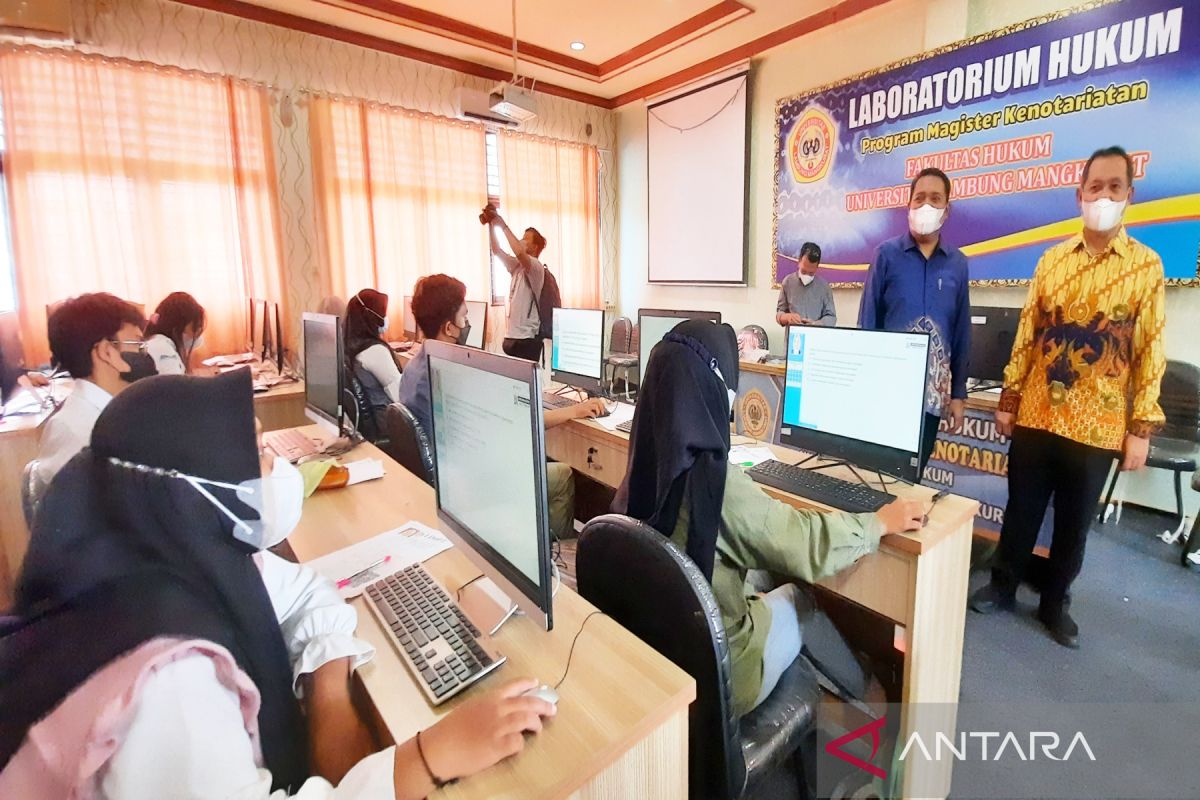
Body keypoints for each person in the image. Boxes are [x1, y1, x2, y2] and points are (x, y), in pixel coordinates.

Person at [0, 369, 556, 798]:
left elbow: (310, 591)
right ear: (197, 494)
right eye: (258, 453)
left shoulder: (157, 563)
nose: (274, 468)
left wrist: (330, 689)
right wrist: (433, 753)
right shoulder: (168, 683)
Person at [615, 319, 925, 716]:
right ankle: (874, 702)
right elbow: (803, 543)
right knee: (800, 597)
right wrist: (879, 522)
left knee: (761, 572)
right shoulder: (715, 483)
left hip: (661, 650)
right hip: (722, 672)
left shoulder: (644, 459)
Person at [970, 146, 1166, 649]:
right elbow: (1027, 336)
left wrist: (1140, 428)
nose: (1103, 196)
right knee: (1021, 510)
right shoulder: (1052, 260)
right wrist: (1009, 399)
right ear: (1079, 194)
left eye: (1113, 187)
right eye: (1094, 187)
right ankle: (1003, 586)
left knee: (1074, 525)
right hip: (1037, 413)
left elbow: (1150, 349)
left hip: (1097, 425)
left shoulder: (1145, 267)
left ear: (1129, 195)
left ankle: (1056, 604)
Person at [399, 273, 605, 539]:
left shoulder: (415, 367)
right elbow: (520, 421)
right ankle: (549, 562)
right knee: (562, 475)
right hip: (467, 488)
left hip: (441, 481)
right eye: (464, 317)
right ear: (449, 328)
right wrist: (574, 411)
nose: (467, 324)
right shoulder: (453, 378)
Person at [858, 166, 971, 477]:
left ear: (946, 211)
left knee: (912, 477)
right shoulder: (886, 256)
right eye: (919, 198)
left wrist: (959, 394)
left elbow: (961, 331)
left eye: (935, 199)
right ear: (908, 206)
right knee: (876, 477)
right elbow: (867, 323)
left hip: (931, 399)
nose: (926, 206)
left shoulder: (957, 265)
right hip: (887, 393)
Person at [34, 293, 155, 488]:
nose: (145, 355)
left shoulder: (117, 411)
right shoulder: (74, 431)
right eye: (138, 345)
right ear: (106, 352)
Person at [485, 206, 549, 363]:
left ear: (534, 247)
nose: (522, 240)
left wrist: (503, 226)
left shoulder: (536, 267)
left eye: (526, 238)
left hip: (527, 339)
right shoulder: (516, 267)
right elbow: (496, 250)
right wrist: (492, 224)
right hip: (512, 336)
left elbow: (519, 252)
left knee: (526, 383)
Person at [345, 289, 403, 434]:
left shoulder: (350, 345)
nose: (386, 318)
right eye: (384, 313)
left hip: (376, 422)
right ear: (373, 317)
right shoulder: (375, 351)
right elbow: (399, 395)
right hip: (388, 424)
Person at [145, 291, 207, 375]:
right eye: (195, 327)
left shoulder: (159, 343)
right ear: (178, 325)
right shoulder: (163, 350)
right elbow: (176, 385)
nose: (197, 333)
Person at [775, 242, 836, 327]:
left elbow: (831, 317)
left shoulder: (824, 287)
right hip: (794, 336)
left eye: (811, 273)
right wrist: (786, 317)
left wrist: (816, 324)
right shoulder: (788, 282)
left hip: (816, 335)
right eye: (804, 271)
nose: (806, 275)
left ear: (817, 267)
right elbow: (779, 313)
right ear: (799, 261)